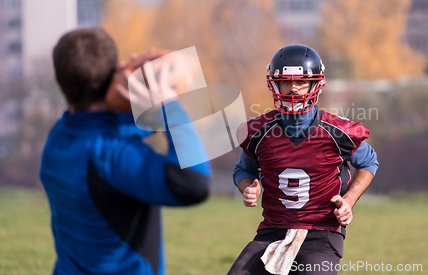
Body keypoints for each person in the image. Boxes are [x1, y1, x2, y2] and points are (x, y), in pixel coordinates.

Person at [40, 28, 211, 275]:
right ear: (113, 73)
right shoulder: (110, 154)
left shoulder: (59, 136)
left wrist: (133, 92)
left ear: (59, 82)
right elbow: (194, 182)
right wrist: (169, 106)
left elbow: (108, 125)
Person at [228, 44, 379, 275]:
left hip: (322, 231)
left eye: (301, 81)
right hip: (273, 230)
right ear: (274, 83)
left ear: (315, 84)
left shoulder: (337, 131)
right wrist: (247, 187)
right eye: (286, 81)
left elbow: (368, 163)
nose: (293, 89)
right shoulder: (259, 132)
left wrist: (349, 200)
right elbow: (243, 169)